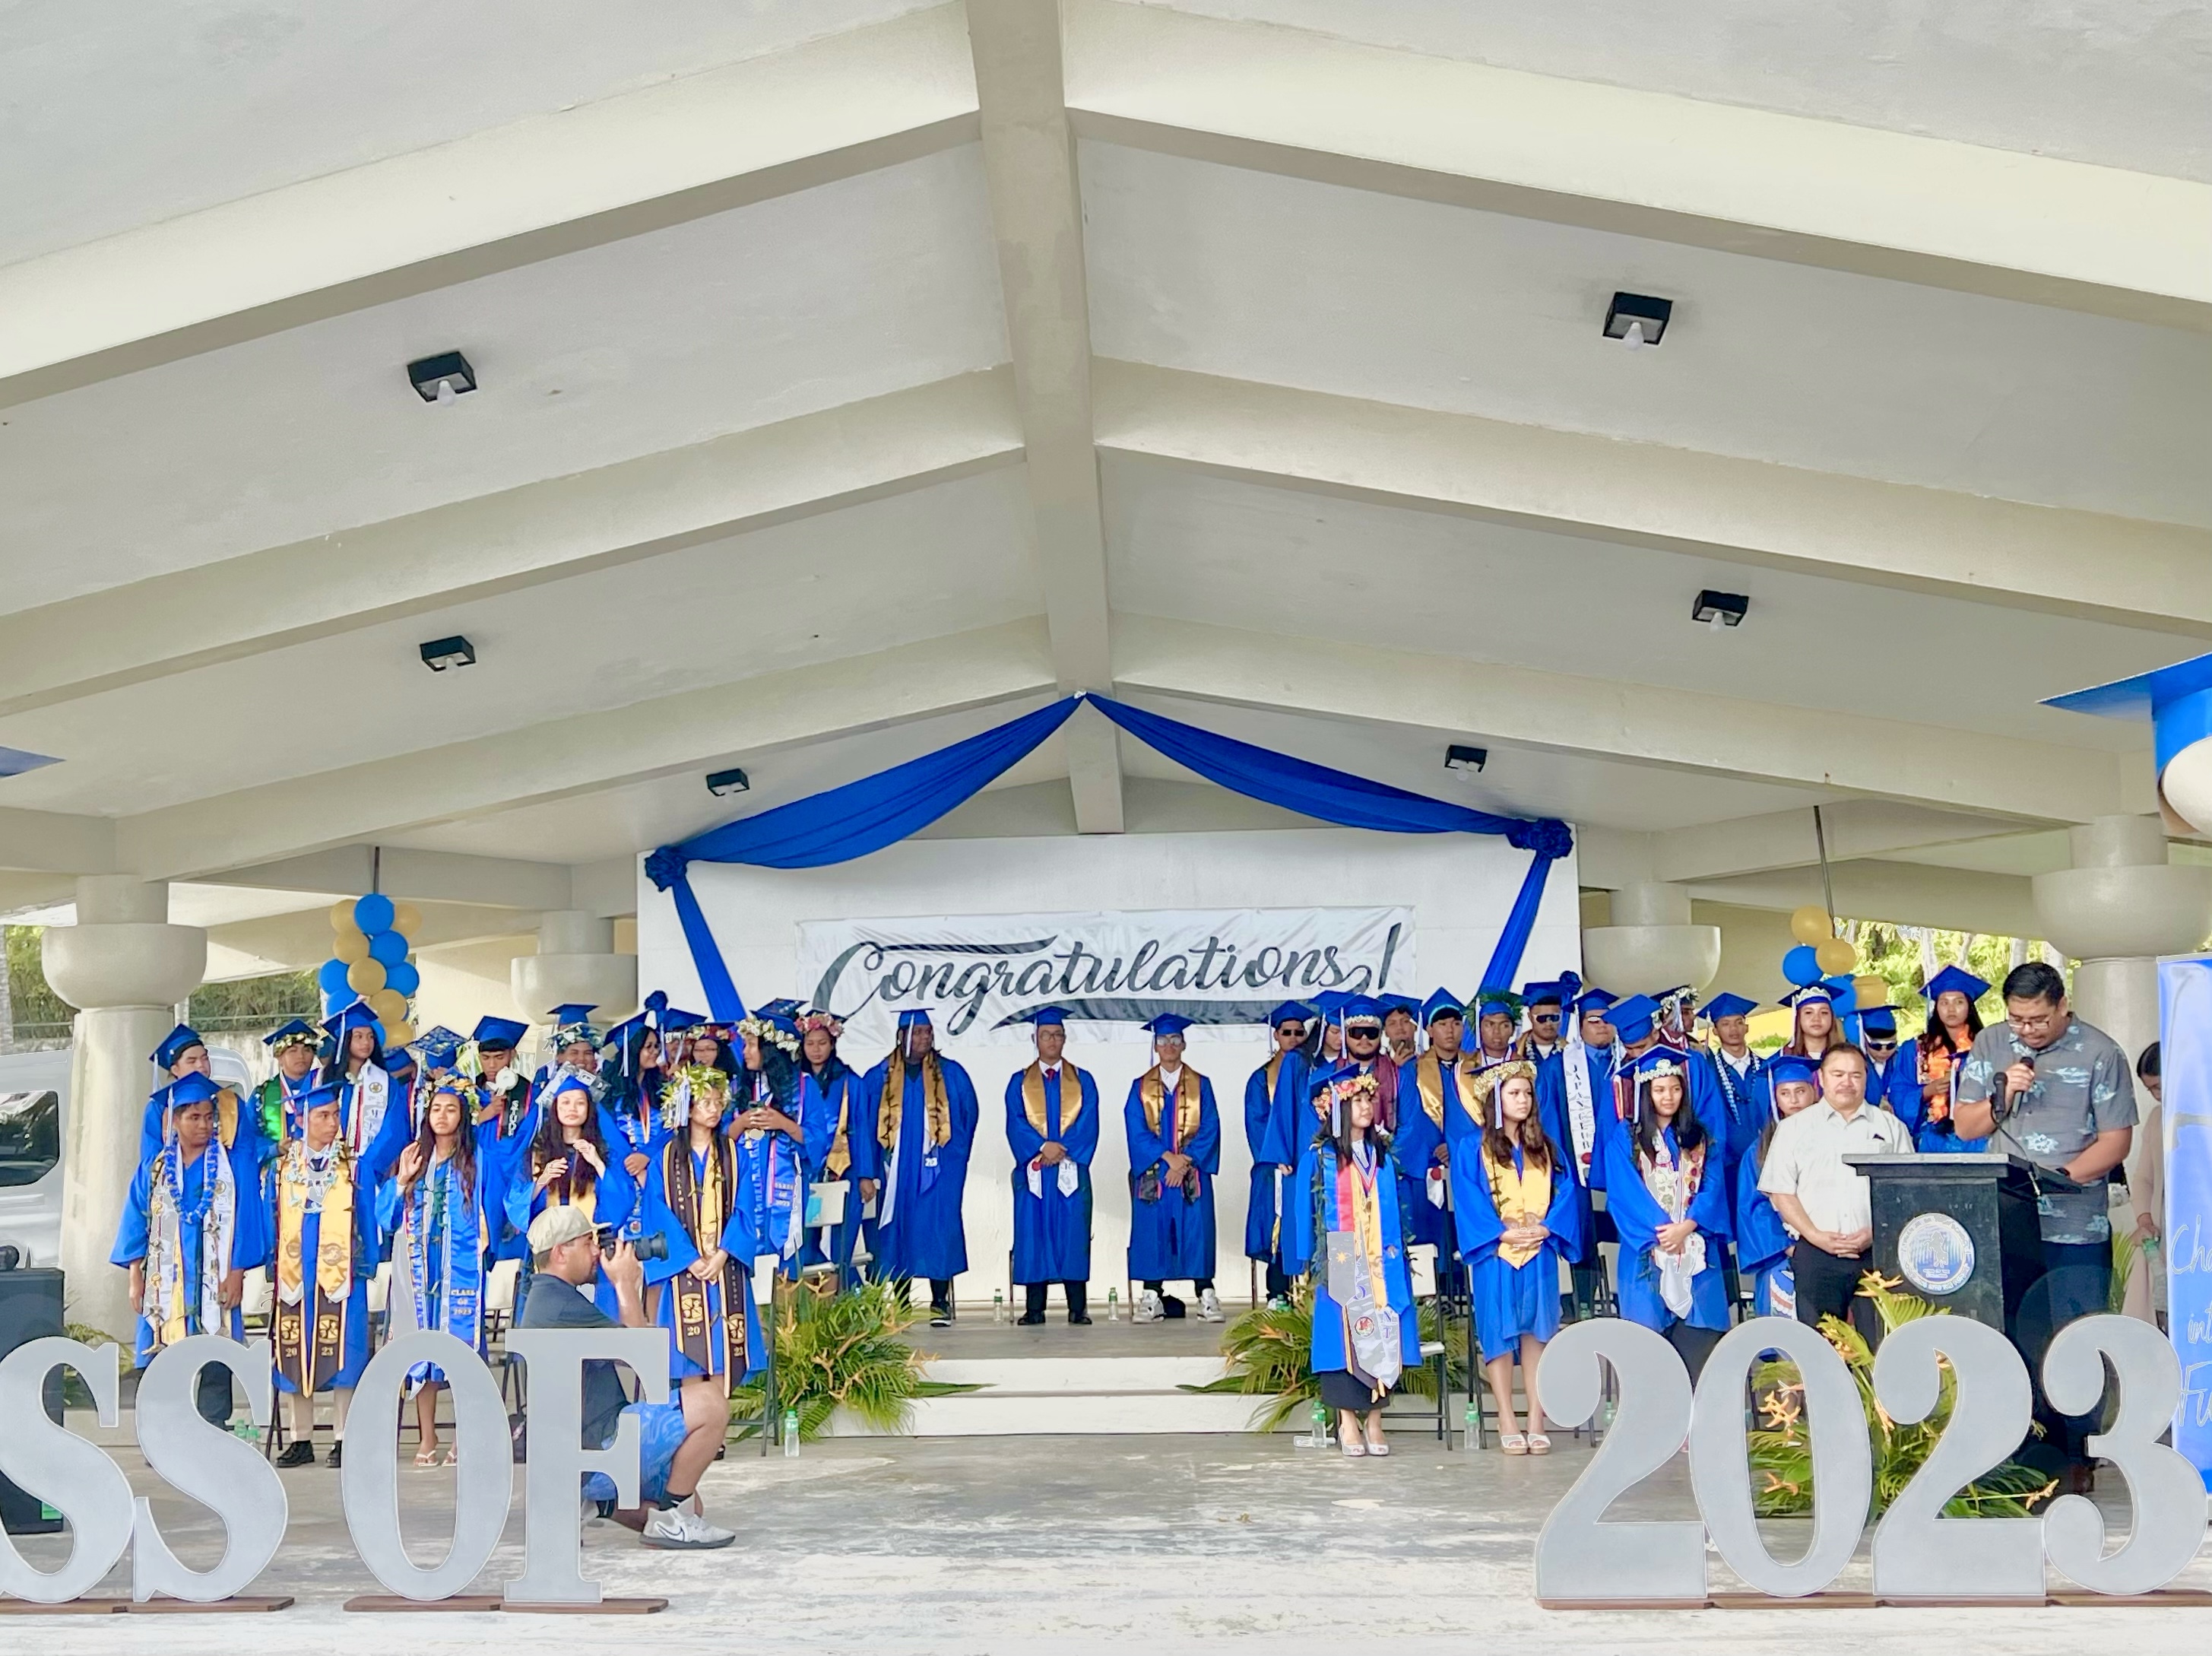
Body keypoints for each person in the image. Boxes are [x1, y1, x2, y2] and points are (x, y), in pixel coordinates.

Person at [1952, 961, 2138, 1486]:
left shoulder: (2101, 1052)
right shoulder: (1991, 1045)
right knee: (2012, 1332)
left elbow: (2116, 1140)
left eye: (2038, 1020)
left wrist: (2063, 1178)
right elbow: (1967, 1125)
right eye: (2018, 1020)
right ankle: (2015, 1449)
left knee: (2074, 1334)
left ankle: (2076, 1453)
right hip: (2006, 1218)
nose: (2027, 1030)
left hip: (2074, 1223)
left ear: (2062, 1008)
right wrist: (2003, 1091)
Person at [516, 1206, 734, 1550]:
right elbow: (644, 1354)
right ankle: (673, 1519)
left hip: (573, 1456)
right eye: (587, 1242)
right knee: (710, 1402)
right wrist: (625, 1284)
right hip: (598, 1447)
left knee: (693, 1501)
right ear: (560, 1252)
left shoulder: (547, 1298)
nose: (596, 1252)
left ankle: (598, 1504)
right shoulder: (559, 1304)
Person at [113, 1074, 268, 1426]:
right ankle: (167, 1435)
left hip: (215, 1276)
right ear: (174, 1121)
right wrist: (135, 1276)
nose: (203, 1125)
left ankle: (213, 1428)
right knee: (165, 1355)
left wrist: (237, 1272)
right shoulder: (155, 1169)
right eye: (193, 1118)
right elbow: (136, 1221)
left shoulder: (231, 1166)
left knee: (216, 1352)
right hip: (166, 1280)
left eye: (208, 1117)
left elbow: (244, 1220)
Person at [1284, 1068, 1419, 1458]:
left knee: (1385, 1328)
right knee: (1342, 1334)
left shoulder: (1383, 1156)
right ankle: (1346, 1420)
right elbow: (1302, 1209)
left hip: (1381, 1260)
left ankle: (1375, 1420)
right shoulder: (1322, 1157)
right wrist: (1303, 1262)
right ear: (1337, 1108)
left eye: (1368, 1100)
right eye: (1357, 1100)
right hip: (1341, 1255)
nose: (1366, 1106)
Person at [1453, 1060, 1581, 1455]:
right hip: (1497, 1254)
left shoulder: (1545, 1146)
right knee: (1498, 1334)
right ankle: (1507, 1418)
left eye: (1527, 1093)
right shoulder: (1470, 1147)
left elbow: (1566, 1192)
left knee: (1538, 1332)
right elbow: (1468, 1197)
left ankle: (1537, 1420)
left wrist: (1547, 1228)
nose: (1523, 1099)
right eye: (1514, 1093)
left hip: (1539, 1252)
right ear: (1496, 1100)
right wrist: (1500, 1233)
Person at [636, 1063, 766, 1423]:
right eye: (705, 1102)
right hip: (685, 1268)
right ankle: (698, 1421)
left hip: (724, 1266)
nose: (714, 1109)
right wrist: (689, 1259)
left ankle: (718, 1425)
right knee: (690, 1347)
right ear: (687, 1108)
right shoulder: (665, 1158)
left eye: (717, 1102)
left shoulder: (733, 1153)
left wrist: (723, 1254)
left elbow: (745, 1207)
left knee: (726, 1343)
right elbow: (656, 1214)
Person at [1757, 1044, 1911, 1345]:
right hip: (1817, 1254)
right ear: (1822, 1079)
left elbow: (1906, 1193)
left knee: (1881, 1344)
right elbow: (1781, 1192)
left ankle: (1877, 1394)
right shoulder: (1794, 1129)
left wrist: (1875, 1232)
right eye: (1838, 1074)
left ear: (1866, 1079)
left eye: (1855, 1075)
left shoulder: (1891, 1128)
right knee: (1820, 1347)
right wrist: (1814, 1235)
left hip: (1877, 1251)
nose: (1847, 1082)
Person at [381, 1074, 497, 1464]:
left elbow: (493, 1211)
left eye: (451, 1109)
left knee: (461, 1355)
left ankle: (464, 1439)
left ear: (463, 1114)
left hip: (458, 1270)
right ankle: (427, 1439)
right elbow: (386, 1217)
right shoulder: (413, 1156)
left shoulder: (477, 1158)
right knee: (420, 1352)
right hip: (418, 1270)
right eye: (435, 1109)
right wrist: (401, 1181)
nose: (442, 1116)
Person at [1602, 1047, 1732, 1380]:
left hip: (1696, 1248)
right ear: (1646, 1093)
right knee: (1649, 1343)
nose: (1669, 1096)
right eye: (1660, 1090)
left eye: (1675, 1088)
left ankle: (1694, 1425)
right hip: (1649, 1250)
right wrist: (1665, 1232)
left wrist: (1686, 1227)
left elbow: (1712, 1186)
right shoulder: (1626, 1138)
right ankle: (1656, 1424)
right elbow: (1625, 1192)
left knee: (1699, 1343)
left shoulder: (1699, 1138)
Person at [271, 1080, 377, 1467]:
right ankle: (300, 1439)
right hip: (294, 1270)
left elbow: (366, 1218)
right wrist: (273, 1265)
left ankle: (343, 1437)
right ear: (303, 1120)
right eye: (323, 1116)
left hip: (342, 1270)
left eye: (335, 1115)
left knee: (344, 1352)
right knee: (294, 1349)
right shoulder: (283, 1169)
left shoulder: (352, 1167)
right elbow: (274, 1220)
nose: (332, 1123)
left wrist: (366, 1265)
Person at [852, 1009, 980, 1328]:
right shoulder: (878, 1076)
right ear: (901, 1036)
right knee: (896, 1229)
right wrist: (867, 1171)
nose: (925, 1038)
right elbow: (863, 1125)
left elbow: (968, 1116)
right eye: (918, 1032)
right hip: (893, 1170)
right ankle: (902, 1301)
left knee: (938, 1229)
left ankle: (940, 1302)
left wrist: (952, 1160)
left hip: (938, 1172)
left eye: (928, 1032)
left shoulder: (950, 1074)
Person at [509, 1071, 639, 1316]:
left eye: (580, 1103)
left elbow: (622, 1201)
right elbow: (516, 1203)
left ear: (589, 1109)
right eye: (565, 1102)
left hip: (592, 1252)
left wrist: (597, 1163)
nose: (572, 1109)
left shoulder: (604, 1151)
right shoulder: (536, 1153)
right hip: (548, 1254)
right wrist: (542, 1181)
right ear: (555, 1107)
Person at [1124, 1013, 1223, 1323]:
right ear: (1155, 1046)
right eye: (1163, 1041)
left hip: (1190, 1173)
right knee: (1151, 1230)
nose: (1169, 1046)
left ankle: (1206, 1295)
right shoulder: (1140, 1087)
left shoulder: (1201, 1085)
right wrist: (1168, 1159)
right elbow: (1136, 1129)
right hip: (1156, 1173)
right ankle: (1151, 1296)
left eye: (1174, 1040)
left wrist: (1186, 1162)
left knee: (1197, 1230)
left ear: (1184, 1045)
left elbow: (1210, 1126)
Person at [1006, 1007, 1099, 1324]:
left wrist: (1063, 1149)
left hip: (1071, 1168)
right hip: (1035, 1171)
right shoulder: (1019, 1082)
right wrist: (1040, 1147)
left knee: (1073, 1234)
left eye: (1058, 1035)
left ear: (1064, 1039)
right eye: (1046, 1035)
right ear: (1035, 1038)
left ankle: (1078, 1308)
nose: (1052, 1040)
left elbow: (1089, 1121)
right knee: (1033, 1235)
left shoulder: (1083, 1080)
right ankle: (1035, 1309)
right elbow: (1015, 1122)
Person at [1732, 1053, 1821, 1319]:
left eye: (1800, 1091)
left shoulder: (1832, 1139)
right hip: (1783, 1252)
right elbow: (1754, 1207)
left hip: (1829, 1248)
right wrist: (1786, 1246)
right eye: (1784, 1093)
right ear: (1775, 1098)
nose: (1793, 1100)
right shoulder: (1759, 1151)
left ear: (1814, 1092)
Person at [1391, 988, 1477, 1252]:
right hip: (1427, 1162)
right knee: (1434, 1234)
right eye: (1442, 1024)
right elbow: (1411, 1118)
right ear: (1429, 1030)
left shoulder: (1477, 1067)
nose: (1450, 1031)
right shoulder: (1412, 1068)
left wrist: (1456, 1147)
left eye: (1455, 1023)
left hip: (1468, 1158)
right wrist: (1437, 1148)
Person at [729, 1013, 810, 1276]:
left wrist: (782, 1122)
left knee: (785, 1263)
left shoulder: (802, 1090)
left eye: (752, 1045)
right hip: (744, 1188)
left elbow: (817, 1141)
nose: (746, 1051)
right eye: (745, 1045)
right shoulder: (738, 1088)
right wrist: (742, 1123)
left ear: (771, 1049)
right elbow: (722, 1140)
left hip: (784, 1189)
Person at [795, 1006, 870, 1288]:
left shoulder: (852, 1082)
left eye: (822, 1043)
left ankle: (847, 1297)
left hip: (844, 1167)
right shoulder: (795, 1082)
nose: (816, 1050)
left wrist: (865, 1174)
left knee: (843, 1243)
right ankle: (814, 1300)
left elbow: (861, 1130)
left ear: (833, 1044)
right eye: (810, 1043)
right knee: (804, 1239)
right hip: (804, 1169)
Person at [1243, 1002, 1311, 1307]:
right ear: (1276, 1035)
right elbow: (1256, 1123)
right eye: (1288, 1033)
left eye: (1300, 1032)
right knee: (1278, 1227)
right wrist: (1276, 1155)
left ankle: (1309, 1289)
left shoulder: (1311, 1071)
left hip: (1306, 1161)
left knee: (1304, 1223)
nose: (1294, 1038)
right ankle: (1277, 1292)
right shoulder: (1261, 1079)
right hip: (1277, 1167)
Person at [1909, 964, 1989, 1152]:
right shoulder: (1917, 1049)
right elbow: (1899, 1090)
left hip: (1978, 1136)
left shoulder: (1986, 1046)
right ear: (1936, 1007)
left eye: (1959, 1002)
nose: (1951, 1009)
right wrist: (1928, 1091)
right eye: (1944, 1002)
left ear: (1969, 1007)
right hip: (1932, 1138)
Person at [2123, 1041, 2164, 1328]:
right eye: (2151, 1090)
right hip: (2164, 1231)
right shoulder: (2157, 1118)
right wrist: (2145, 1218)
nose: (2158, 1096)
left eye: (2161, 1087)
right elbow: (2144, 1179)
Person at [251, 1018, 322, 1145]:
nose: (301, 1056)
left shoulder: (322, 1085)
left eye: (307, 1050)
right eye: (293, 1051)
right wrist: (275, 1149)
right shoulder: (262, 1094)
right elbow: (249, 1135)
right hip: (278, 1162)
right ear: (280, 1057)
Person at [1858, 1007, 1914, 1115]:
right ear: (1864, 1040)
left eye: (1891, 1045)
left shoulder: (1902, 1062)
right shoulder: (1856, 1064)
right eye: (1876, 1046)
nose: (1884, 1051)